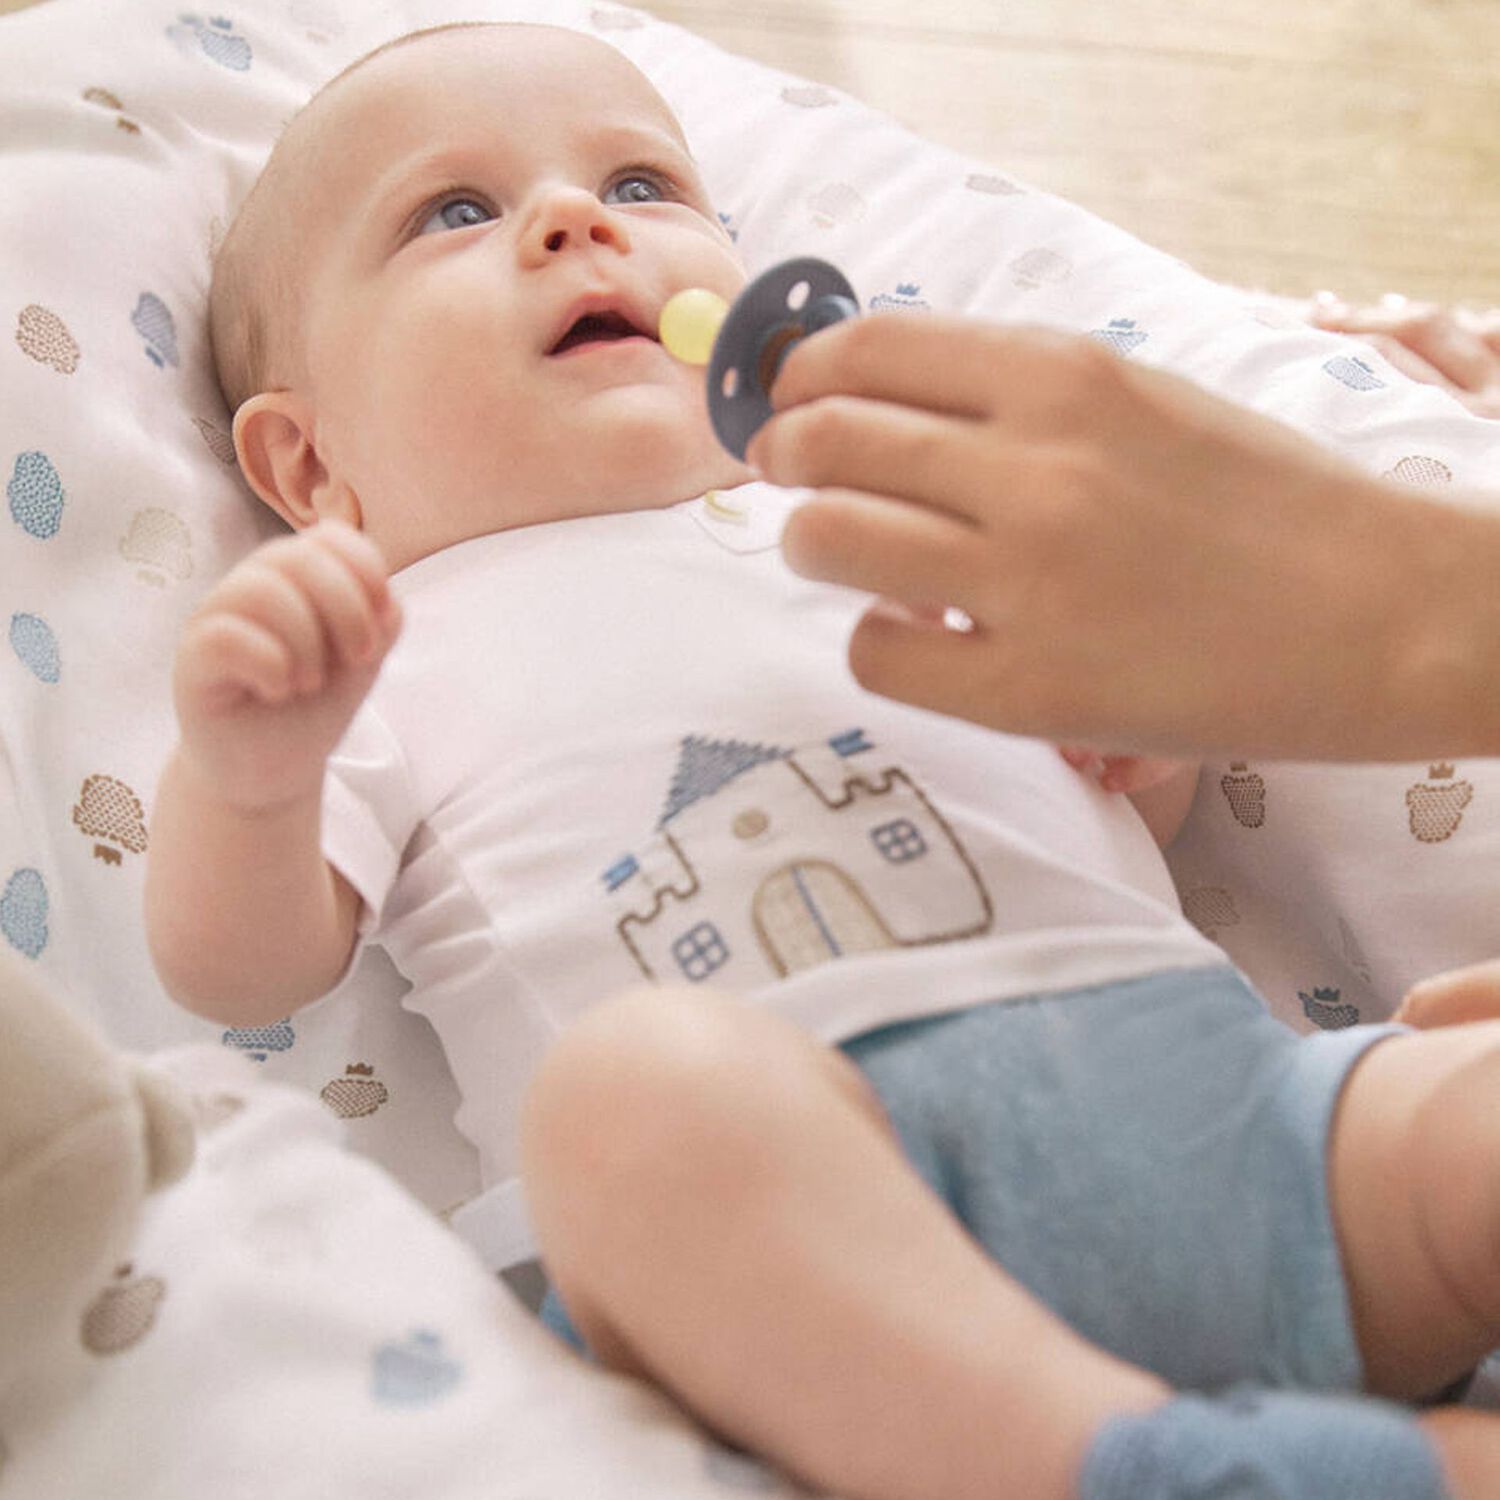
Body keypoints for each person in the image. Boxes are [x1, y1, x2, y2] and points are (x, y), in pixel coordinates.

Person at [141, 19, 1500, 1500]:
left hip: (1231, 1129)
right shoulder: (374, 642)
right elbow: (240, 974)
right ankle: (1116, 1465)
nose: (577, 219)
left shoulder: (876, 522)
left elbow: (1137, 793)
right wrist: (251, 775)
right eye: (452, 213)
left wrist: (1135, 728)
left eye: (647, 185)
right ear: (309, 468)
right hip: (795, 1243)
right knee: (630, 1103)